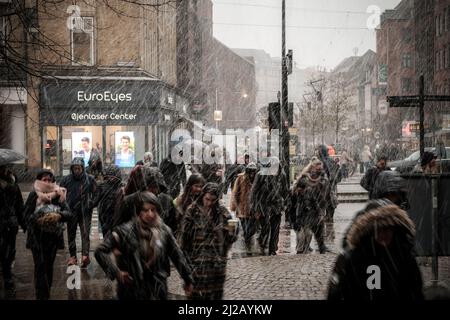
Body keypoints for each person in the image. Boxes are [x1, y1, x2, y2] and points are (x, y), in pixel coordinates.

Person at [95, 191, 194, 300]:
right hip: (131, 291)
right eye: (146, 210)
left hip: (157, 290)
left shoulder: (164, 231)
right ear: (139, 212)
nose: (150, 214)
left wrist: (187, 279)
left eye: (153, 210)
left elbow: (177, 255)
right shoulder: (124, 231)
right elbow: (100, 251)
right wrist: (117, 272)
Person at [179, 183, 237, 300]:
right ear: (202, 196)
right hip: (197, 266)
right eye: (207, 199)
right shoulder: (192, 211)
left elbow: (230, 239)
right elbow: (184, 240)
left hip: (216, 269)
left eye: (213, 200)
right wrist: (186, 270)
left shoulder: (222, 212)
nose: (209, 203)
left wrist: (232, 231)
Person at [22, 169, 72, 300]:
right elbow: (26, 216)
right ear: (39, 181)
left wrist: (58, 215)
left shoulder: (59, 194)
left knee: (48, 268)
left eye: (50, 180)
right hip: (37, 240)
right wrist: (40, 217)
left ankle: (46, 293)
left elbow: (69, 214)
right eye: (45, 180)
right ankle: (41, 295)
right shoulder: (34, 195)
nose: (48, 182)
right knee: (40, 268)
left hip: (53, 239)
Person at [60, 157, 97, 267]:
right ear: (72, 169)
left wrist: (92, 203)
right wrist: (64, 206)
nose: (77, 170)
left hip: (85, 212)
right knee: (71, 235)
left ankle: (85, 256)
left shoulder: (89, 179)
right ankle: (73, 257)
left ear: (82, 168)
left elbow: (97, 192)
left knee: (85, 234)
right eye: (75, 168)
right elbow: (60, 193)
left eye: (79, 168)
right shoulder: (66, 180)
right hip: (71, 212)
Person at [250, 157, 288, 256]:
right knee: (265, 227)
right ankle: (262, 241)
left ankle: (272, 249)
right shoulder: (261, 175)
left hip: (277, 205)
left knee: (275, 229)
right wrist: (255, 208)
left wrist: (286, 204)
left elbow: (285, 190)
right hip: (263, 206)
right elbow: (254, 192)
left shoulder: (282, 175)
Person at [292, 159, 330, 254]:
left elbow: (326, 192)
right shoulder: (305, 179)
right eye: (317, 168)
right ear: (312, 168)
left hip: (317, 207)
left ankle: (320, 249)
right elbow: (296, 192)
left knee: (318, 233)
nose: (319, 170)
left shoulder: (323, 179)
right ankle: (303, 249)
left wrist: (323, 207)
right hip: (307, 208)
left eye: (320, 168)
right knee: (306, 232)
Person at [0, 165, 25, 291]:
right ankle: (7, 275)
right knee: (3, 250)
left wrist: (23, 223)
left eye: (6, 168)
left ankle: (7, 273)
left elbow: (19, 205)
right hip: (3, 222)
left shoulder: (13, 182)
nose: (5, 170)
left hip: (11, 223)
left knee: (10, 251)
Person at [230, 163, 258, 252]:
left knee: (251, 228)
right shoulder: (240, 178)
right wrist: (234, 206)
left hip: (253, 208)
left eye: (254, 172)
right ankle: (247, 243)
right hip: (242, 208)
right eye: (251, 171)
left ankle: (247, 240)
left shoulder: (257, 179)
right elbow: (235, 192)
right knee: (246, 228)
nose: (252, 174)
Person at [92, 165, 123, 237]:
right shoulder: (102, 186)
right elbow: (96, 200)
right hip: (104, 216)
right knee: (106, 235)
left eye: (113, 177)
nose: (111, 179)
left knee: (117, 235)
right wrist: (89, 204)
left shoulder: (121, 186)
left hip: (117, 215)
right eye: (110, 176)